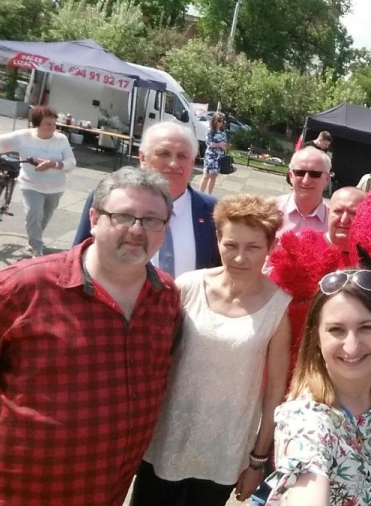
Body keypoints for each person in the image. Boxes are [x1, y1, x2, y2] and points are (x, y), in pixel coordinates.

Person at [0, 167, 181, 505]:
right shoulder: (22, 287)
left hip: (102, 491)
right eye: (123, 216)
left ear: (164, 228)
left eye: (151, 220)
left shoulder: (166, 296)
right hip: (10, 493)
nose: (136, 229)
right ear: (94, 218)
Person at [130, 194, 291, 506]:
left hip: (224, 450)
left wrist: (258, 460)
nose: (240, 258)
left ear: (271, 246)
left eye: (253, 247)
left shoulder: (278, 308)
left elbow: (274, 392)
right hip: (167, 439)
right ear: (217, 239)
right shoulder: (187, 287)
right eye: (231, 245)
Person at [266, 269, 371, 506]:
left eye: (366, 327)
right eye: (336, 330)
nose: (351, 347)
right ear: (317, 337)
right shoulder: (306, 423)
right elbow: (308, 480)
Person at [73, 121, 221, 277]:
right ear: (142, 158)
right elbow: (78, 260)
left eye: (182, 156)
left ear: (192, 162)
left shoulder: (211, 209)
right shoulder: (109, 199)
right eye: (164, 153)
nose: (173, 163)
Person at [0, 105, 76, 256]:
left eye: (54, 124)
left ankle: (33, 239)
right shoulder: (24, 137)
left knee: (44, 217)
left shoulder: (61, 139)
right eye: (48, 124)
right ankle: (36, 247)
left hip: (55, 187)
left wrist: (54, 164)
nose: (52, 128)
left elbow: (71, 162)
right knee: (34, 213)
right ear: (37, 124)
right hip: (31, 184)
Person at [275, 147, 332, 242]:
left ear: (327, 179)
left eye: (315, 174)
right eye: (299, 173)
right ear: (290, 176)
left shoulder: (334, 223)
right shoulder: (269, 211)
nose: (306, 181)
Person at [326, 186, 366, 265]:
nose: (344, 220)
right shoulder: (309, 248)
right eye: (338, 211)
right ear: (328, 212)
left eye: (353, 213)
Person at [200, 112, 229, 195]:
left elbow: (225, 145)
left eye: (222, 121)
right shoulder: (210, 131)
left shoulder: (223, 133)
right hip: (210, 156)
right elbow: (209, 143)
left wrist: (225, 146)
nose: (221, 123)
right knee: (206, 175)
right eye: (219, 120)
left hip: (219, 157)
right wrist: (219, 144)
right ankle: (201, 194)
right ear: (214, 121)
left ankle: (209, 195)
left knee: (214, 176)